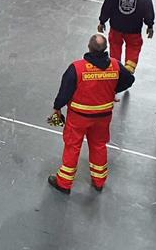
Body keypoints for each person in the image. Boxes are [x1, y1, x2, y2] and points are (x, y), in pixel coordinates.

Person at [48, 34, 135, 194]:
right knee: (99, 145)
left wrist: (57, 107)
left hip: (78, 117)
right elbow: (129, 80)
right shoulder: (115, 66)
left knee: (73, 146)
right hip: (103, 117)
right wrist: (112, 90)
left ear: (89, 47)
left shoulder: (77, 68)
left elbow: (65, 92)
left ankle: (64, 183)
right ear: (105, 49)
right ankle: (99, 181)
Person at [98, 0, 155, 74]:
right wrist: (150, 25)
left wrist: (102, 21)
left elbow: (107, 7)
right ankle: (129, 69)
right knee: (134, 47)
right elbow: (148, 10)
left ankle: (115, 68)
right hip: (134, 30)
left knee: (115, 46)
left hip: (116, 28)